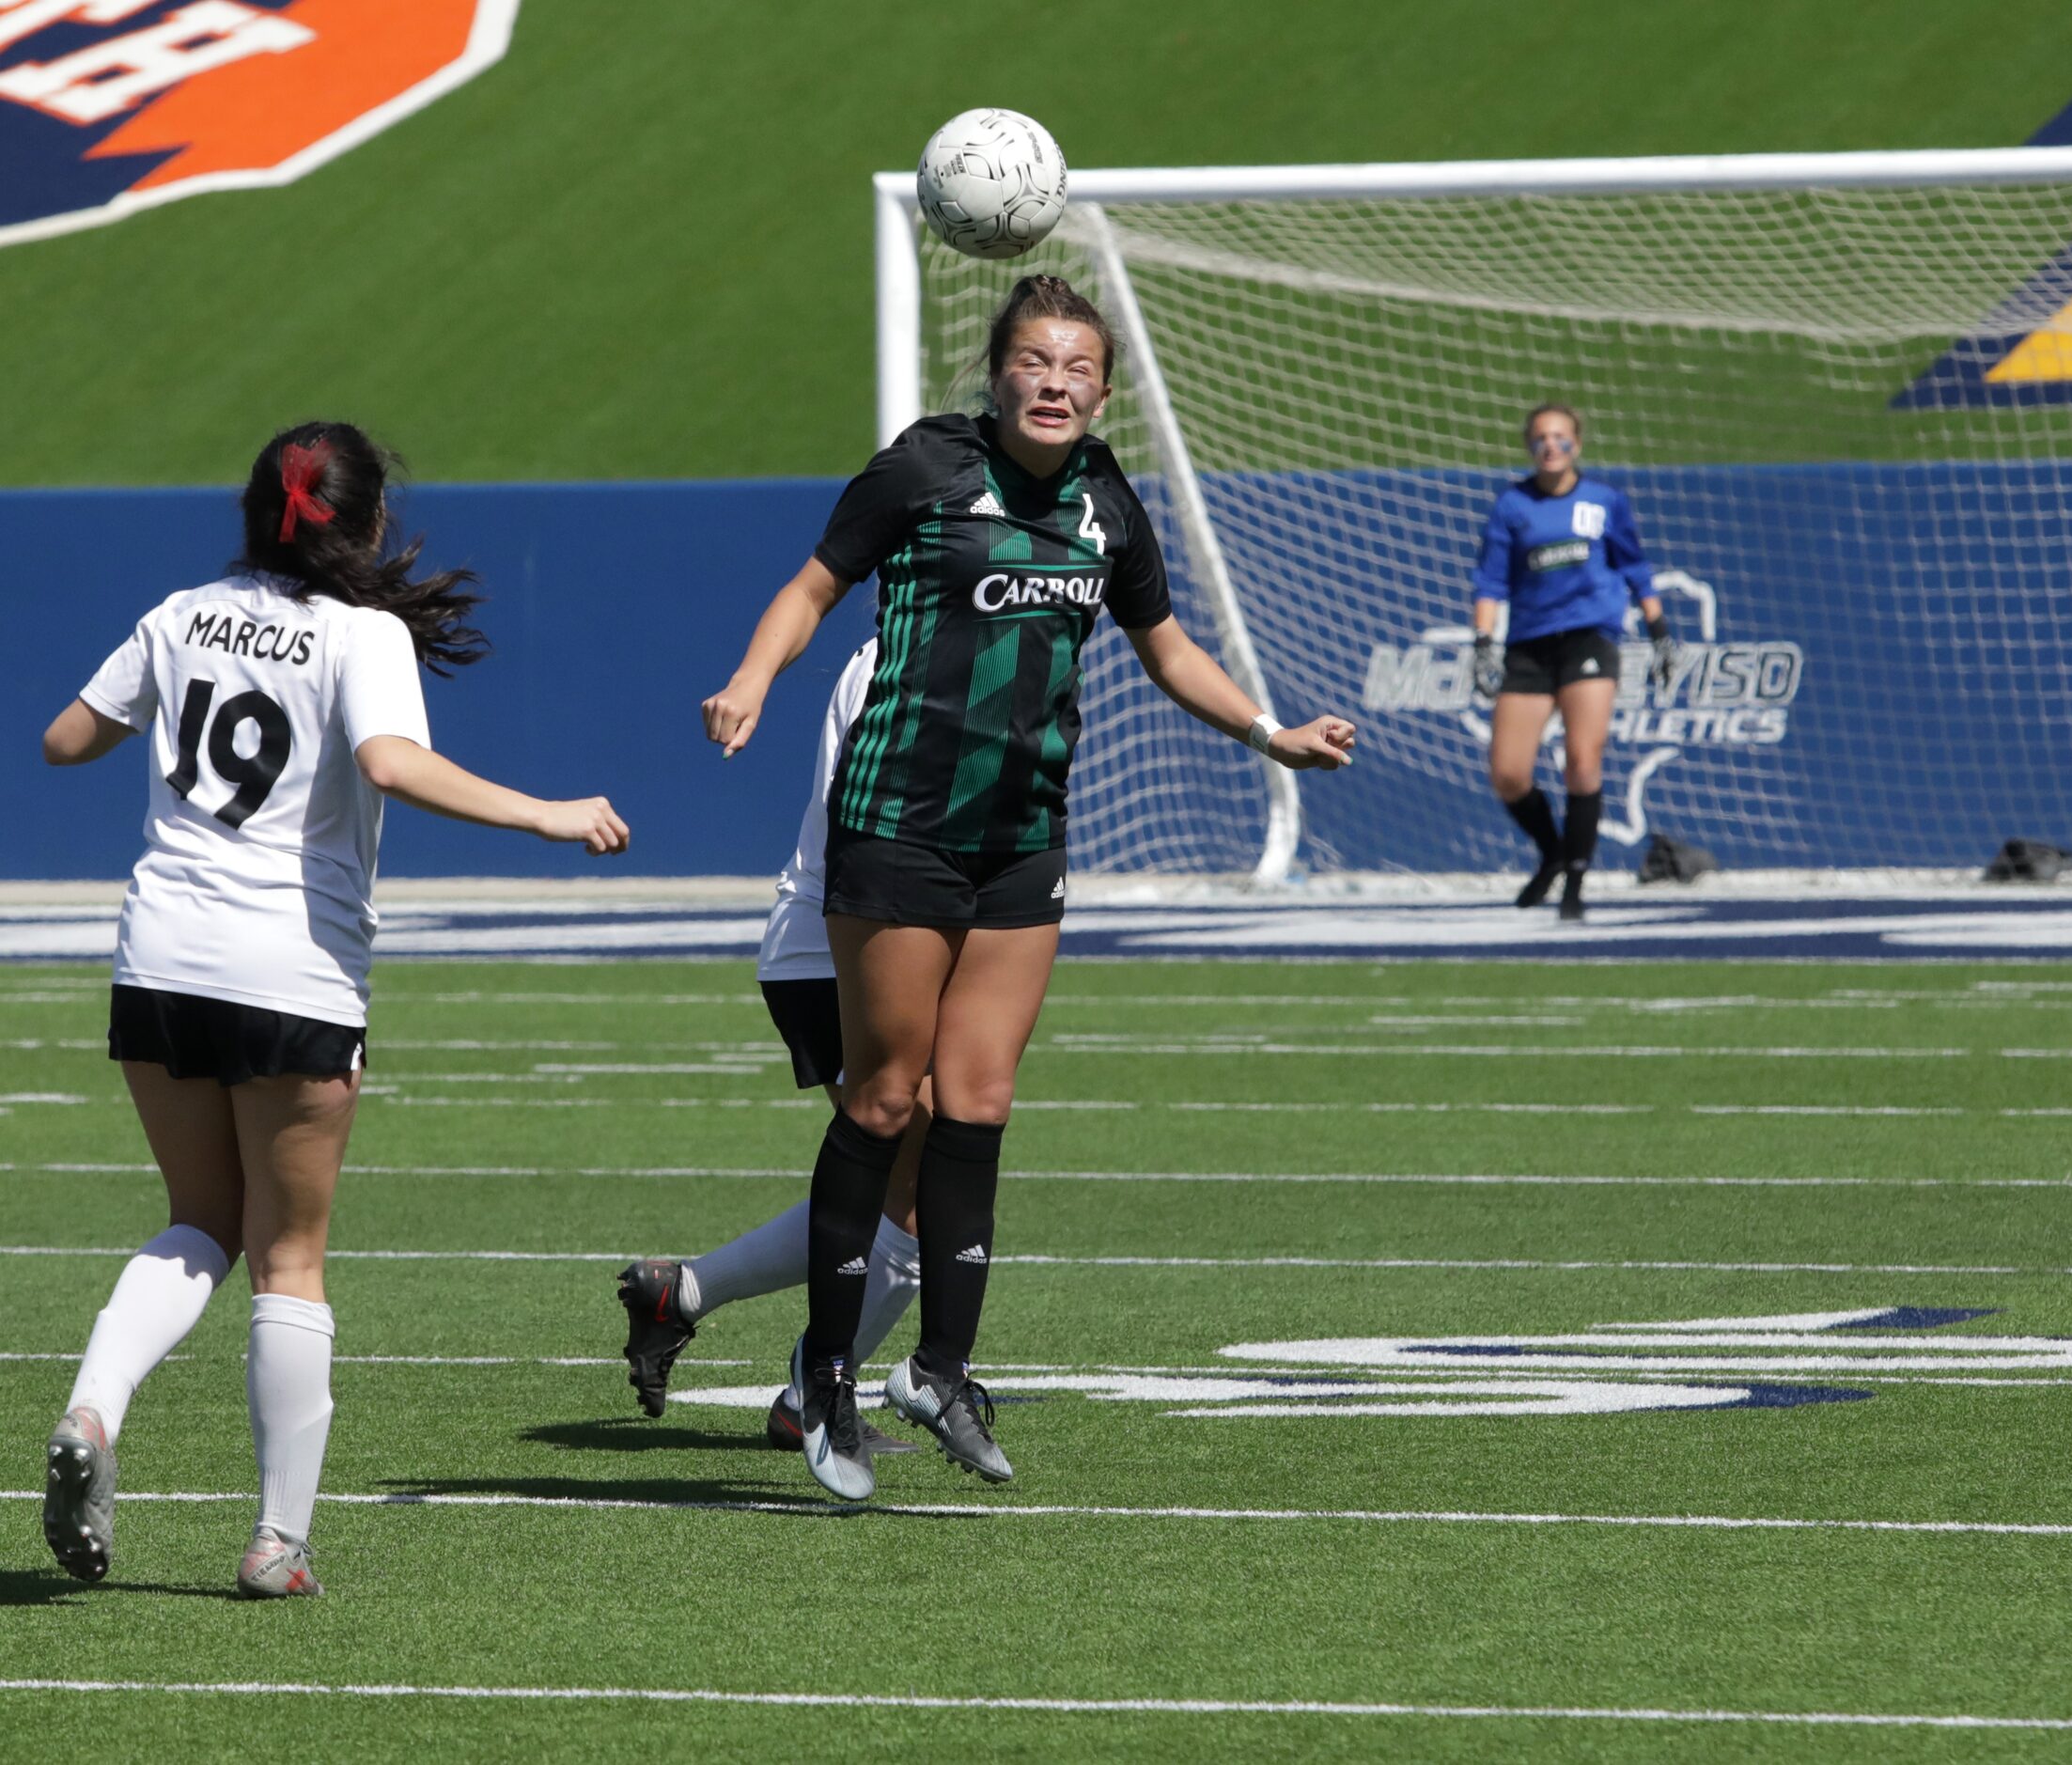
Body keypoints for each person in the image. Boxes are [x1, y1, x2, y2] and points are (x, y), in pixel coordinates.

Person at [702, 274, 1357, 1497]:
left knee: (982, 1098)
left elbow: (1167, 649)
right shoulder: (924, 472)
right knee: (889, 1099)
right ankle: (827, 1382)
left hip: (1023, 841)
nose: (1055, 384)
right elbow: (811, 589)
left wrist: (1271, 733)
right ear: (996, 373)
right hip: (898, 828)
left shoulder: (1110, 500)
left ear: (1105, 392)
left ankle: (941, 1368)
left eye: (1078, 370)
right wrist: (753, 676)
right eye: (1034, 362)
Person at [38, 421, 628, 1596]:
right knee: (289, 1255)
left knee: (198, 1218)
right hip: (291, 971)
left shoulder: (178, 612)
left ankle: (93, 1415)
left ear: (254, 514)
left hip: (158, 959)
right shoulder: (363, 633)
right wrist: (549, 813)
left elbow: (63, 742)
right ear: (361, 526)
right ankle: (276, 1543)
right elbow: (395, 765)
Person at [616, 637, 927, 1457]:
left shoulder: (951, 646)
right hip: (842, 945)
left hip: (859, 941)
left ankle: (684, 1296)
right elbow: (877, 814)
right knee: (916, 1186)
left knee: (906, 1182)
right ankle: (810, 1399)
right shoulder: (907, 652)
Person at [1467, 402, 1680, 920]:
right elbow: (1491, 581)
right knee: (1508, 773)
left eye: (1561, 438)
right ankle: (1552, 852)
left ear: (1577, 445)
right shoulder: (1513, 506)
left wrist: (1658, 630)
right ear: (1529, 446)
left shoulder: (1603, 502)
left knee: (1584, 761)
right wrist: (1482, 642)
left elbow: (1634, 565)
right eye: (1541, 438)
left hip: (1590, 639)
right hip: (1530, 645)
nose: (1551, 447)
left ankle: (1575, 882)